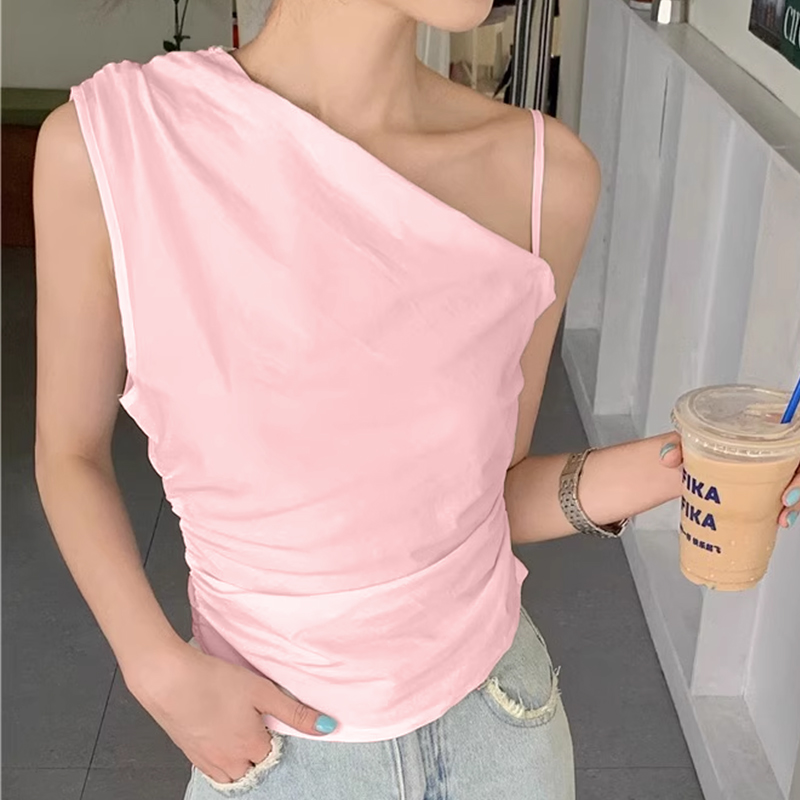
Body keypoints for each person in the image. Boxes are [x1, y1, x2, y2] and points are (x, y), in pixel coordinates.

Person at [32, 0, 800, 798]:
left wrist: (680, 463)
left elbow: (492, 493)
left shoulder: (544, 177)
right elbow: (67, 451)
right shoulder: (112, 146)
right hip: (275, 756)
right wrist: (153, 665)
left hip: (502, 735)